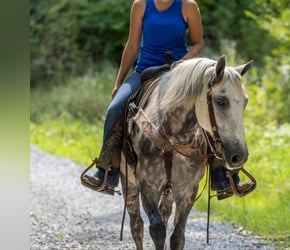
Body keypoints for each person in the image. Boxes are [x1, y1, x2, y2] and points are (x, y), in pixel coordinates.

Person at [81, 0, 253, 199]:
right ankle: (106, 171)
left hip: (180, 75)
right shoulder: (140, 5)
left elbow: (198, 43)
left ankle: (224, 177)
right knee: (115, 108)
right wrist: (119, 82)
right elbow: (132, 45)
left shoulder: (188, 6)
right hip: (145, 71)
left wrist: (184, 60)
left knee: (208, 110)